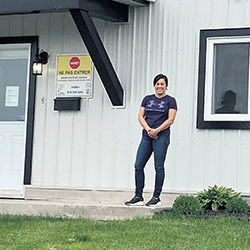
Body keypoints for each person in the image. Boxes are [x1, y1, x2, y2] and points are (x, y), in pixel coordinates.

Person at [125, 74, 177, 207]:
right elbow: (140, 116)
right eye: (157, 84)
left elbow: (170, 119)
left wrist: (157, 130)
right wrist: (149, 129)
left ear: (166, 86)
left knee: (158, 166)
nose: (160, 86)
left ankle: (156, 197)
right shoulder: (147, 99)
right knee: (138, 165)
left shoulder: (170, 100)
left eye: (162, 84)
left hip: (161, 136)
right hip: (146, 136)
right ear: (154, 85)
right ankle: (138, 196)